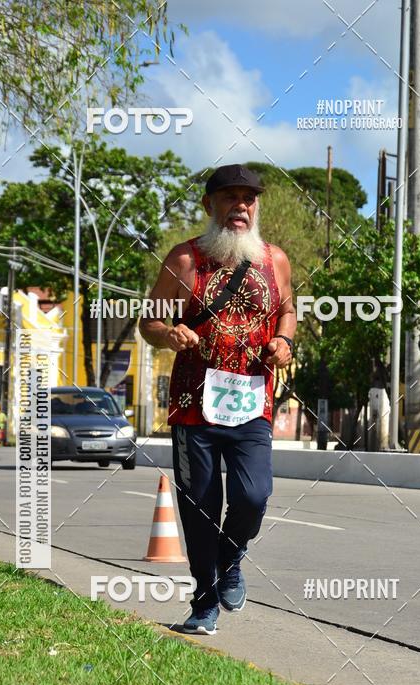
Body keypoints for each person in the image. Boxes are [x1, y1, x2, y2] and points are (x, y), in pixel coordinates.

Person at [140, 164, 296, 635]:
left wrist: (285, 341)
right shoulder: (184, 260)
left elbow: (287, 309)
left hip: (253, 401)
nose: (241, 206)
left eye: (249, 198)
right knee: (199, 506)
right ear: (210, 205)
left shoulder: (275, 260)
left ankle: (231, 558)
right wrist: (169, 333)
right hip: (194, 405)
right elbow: (149, 322)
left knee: (254, 495)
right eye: (230, 197)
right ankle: (204, 603)